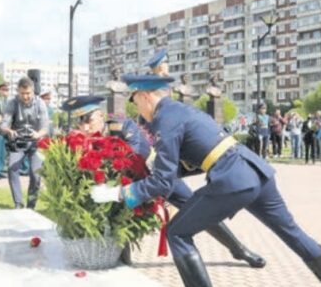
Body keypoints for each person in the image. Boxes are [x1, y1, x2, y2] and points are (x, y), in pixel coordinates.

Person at [90, 75, 321, 287]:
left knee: (178, 232)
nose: (136, 110)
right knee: (291, 232)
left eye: (135, 101)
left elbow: (162, 181)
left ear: (145, 96)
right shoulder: (182, 110)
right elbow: (197, 155)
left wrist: (120, 193)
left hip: (232, 178)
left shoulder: (164, 119)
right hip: (255, 170)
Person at [64, 94, 265, 268]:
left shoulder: (121, 126)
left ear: (100, 115)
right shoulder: (84, 142)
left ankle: (238, 249)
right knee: (119, 217)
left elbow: (138, 153)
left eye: (88, 120)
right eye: (80, 123)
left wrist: (105, 160)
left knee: (197, 210)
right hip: (126, 189)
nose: (85, 127)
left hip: (157, 178)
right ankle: (123, 263)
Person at [0, 77, 49, 209]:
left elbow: (45, 127)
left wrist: (38, 134)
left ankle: (31, 205)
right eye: (22, 93)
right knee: (12, 169)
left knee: (36, 174)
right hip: (18, 142)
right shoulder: (12, 103)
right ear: (18, 91)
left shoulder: (40, 103)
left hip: (36, 141)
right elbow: (3, 125)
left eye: (28, 93)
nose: (25, 96)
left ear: (33, 91)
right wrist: (9, 131)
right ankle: (18, 203)